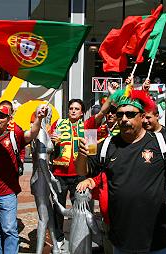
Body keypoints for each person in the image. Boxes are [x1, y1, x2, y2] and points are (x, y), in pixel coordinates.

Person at [75, 85, 166, 253]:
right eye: (120, 114)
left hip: (157, 240)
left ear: (142, 117)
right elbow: (82, 171)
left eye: (130, 114)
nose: (124, 119)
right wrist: (83, 154)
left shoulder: (161, 142)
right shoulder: (108, 144)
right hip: (121, 240)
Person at [50, 95, 115, 249]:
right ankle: (58, 237)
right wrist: (52, 140)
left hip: (80, 176)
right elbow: (47, 145)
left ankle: (79, 237)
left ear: (82, 113)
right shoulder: (58, 124)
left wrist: (112, 95)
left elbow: (102, 113)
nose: (73, 111)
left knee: (81, 209)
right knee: (57, 206)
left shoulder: (88, 125)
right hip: (59, 173)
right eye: (71, 108)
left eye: (76, 109)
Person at [0, 103, 47, 254]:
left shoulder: (14, 135)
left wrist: (38, 117)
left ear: (9, 119)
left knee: (9, 230)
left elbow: (31, 133)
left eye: (2, 116)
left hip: (7, 193)